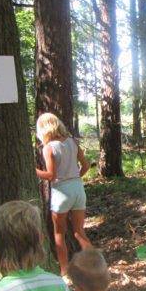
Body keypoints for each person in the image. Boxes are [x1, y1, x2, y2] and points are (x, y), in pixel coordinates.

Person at [35, 112, 93, 275]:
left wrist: (35, 171)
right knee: (79, 232)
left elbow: (51, 175)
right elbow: (86, 165)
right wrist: (75, 177)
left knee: (59, 233)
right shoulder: (73, 142)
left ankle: (64, 271)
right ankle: (95, 266)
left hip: (61, 191)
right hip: (78, 188)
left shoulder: (49, 148)